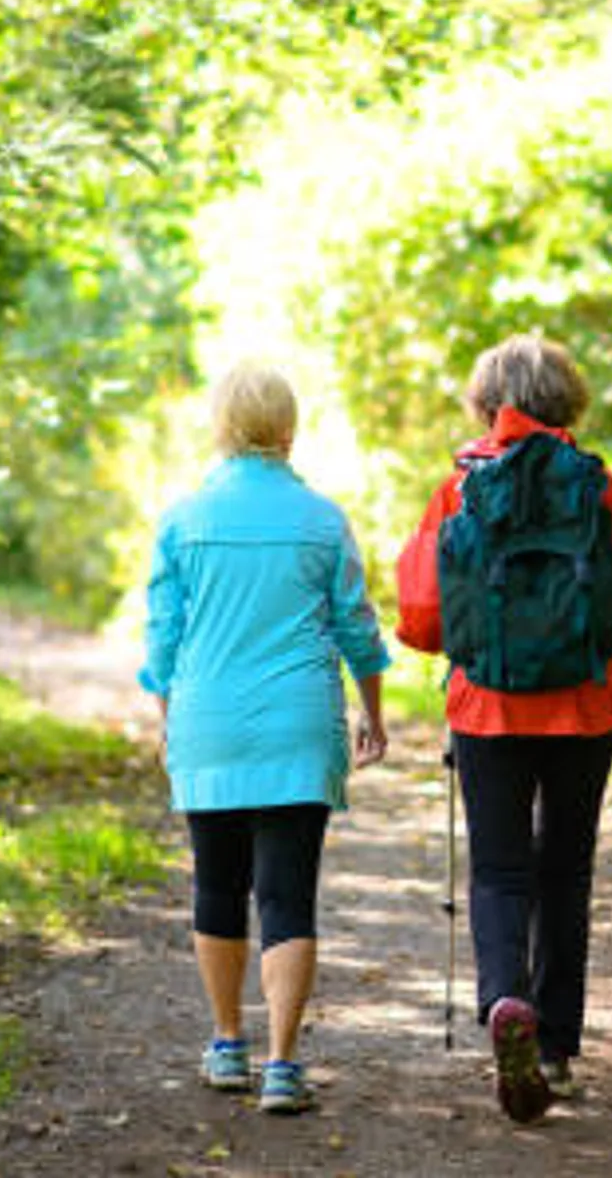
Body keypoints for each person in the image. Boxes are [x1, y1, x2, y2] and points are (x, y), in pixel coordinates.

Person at [396, 334, 612, 1122]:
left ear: (486, 403)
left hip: (487, 705)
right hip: (586, 700)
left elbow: (420, 612)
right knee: (566, 870)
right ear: (568, 401)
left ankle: (503, 1001)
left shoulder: (461, 487)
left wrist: (453, 648)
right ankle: (553, 1048)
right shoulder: (596, 484)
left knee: (499, 870)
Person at [138, 360, 390, 1115]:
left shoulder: (183, 520)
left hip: (208, 722)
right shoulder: (320, 519)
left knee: (217, 884)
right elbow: (357, 627)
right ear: (288, 428)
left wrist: (168, 722)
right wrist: (374, 715)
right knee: (288, 894)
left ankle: (225, 1044)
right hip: (298, 725)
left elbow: (163, 640)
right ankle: (283, 1063)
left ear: (222, 426)